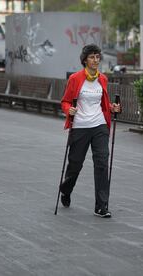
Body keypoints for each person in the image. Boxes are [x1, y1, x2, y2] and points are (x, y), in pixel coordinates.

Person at [59, 44, 120, 218]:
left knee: (102, 163)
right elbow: (65, 101)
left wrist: (112, 107)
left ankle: (101, 206)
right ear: (85, 59)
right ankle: (66, 189)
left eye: (98, 57)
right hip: (80, 126)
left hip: (99, 125)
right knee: (75, 165)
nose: (96, 60)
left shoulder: (103, 79)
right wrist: (68, 110)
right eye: (92, 57)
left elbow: (102, 103)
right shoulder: (76, 79)